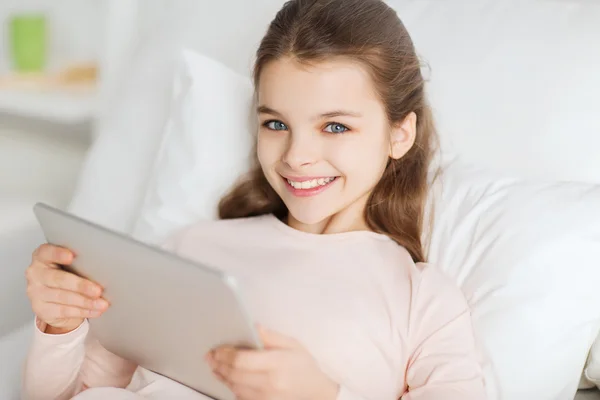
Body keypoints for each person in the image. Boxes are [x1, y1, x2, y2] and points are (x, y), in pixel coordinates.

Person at [22, 0, 486, 399]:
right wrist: (59, 326)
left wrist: (323, 395)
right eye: (276, 124)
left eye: (336, 126)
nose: (297, 157)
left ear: (400, 134)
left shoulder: (421, 299)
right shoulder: (189, 250)